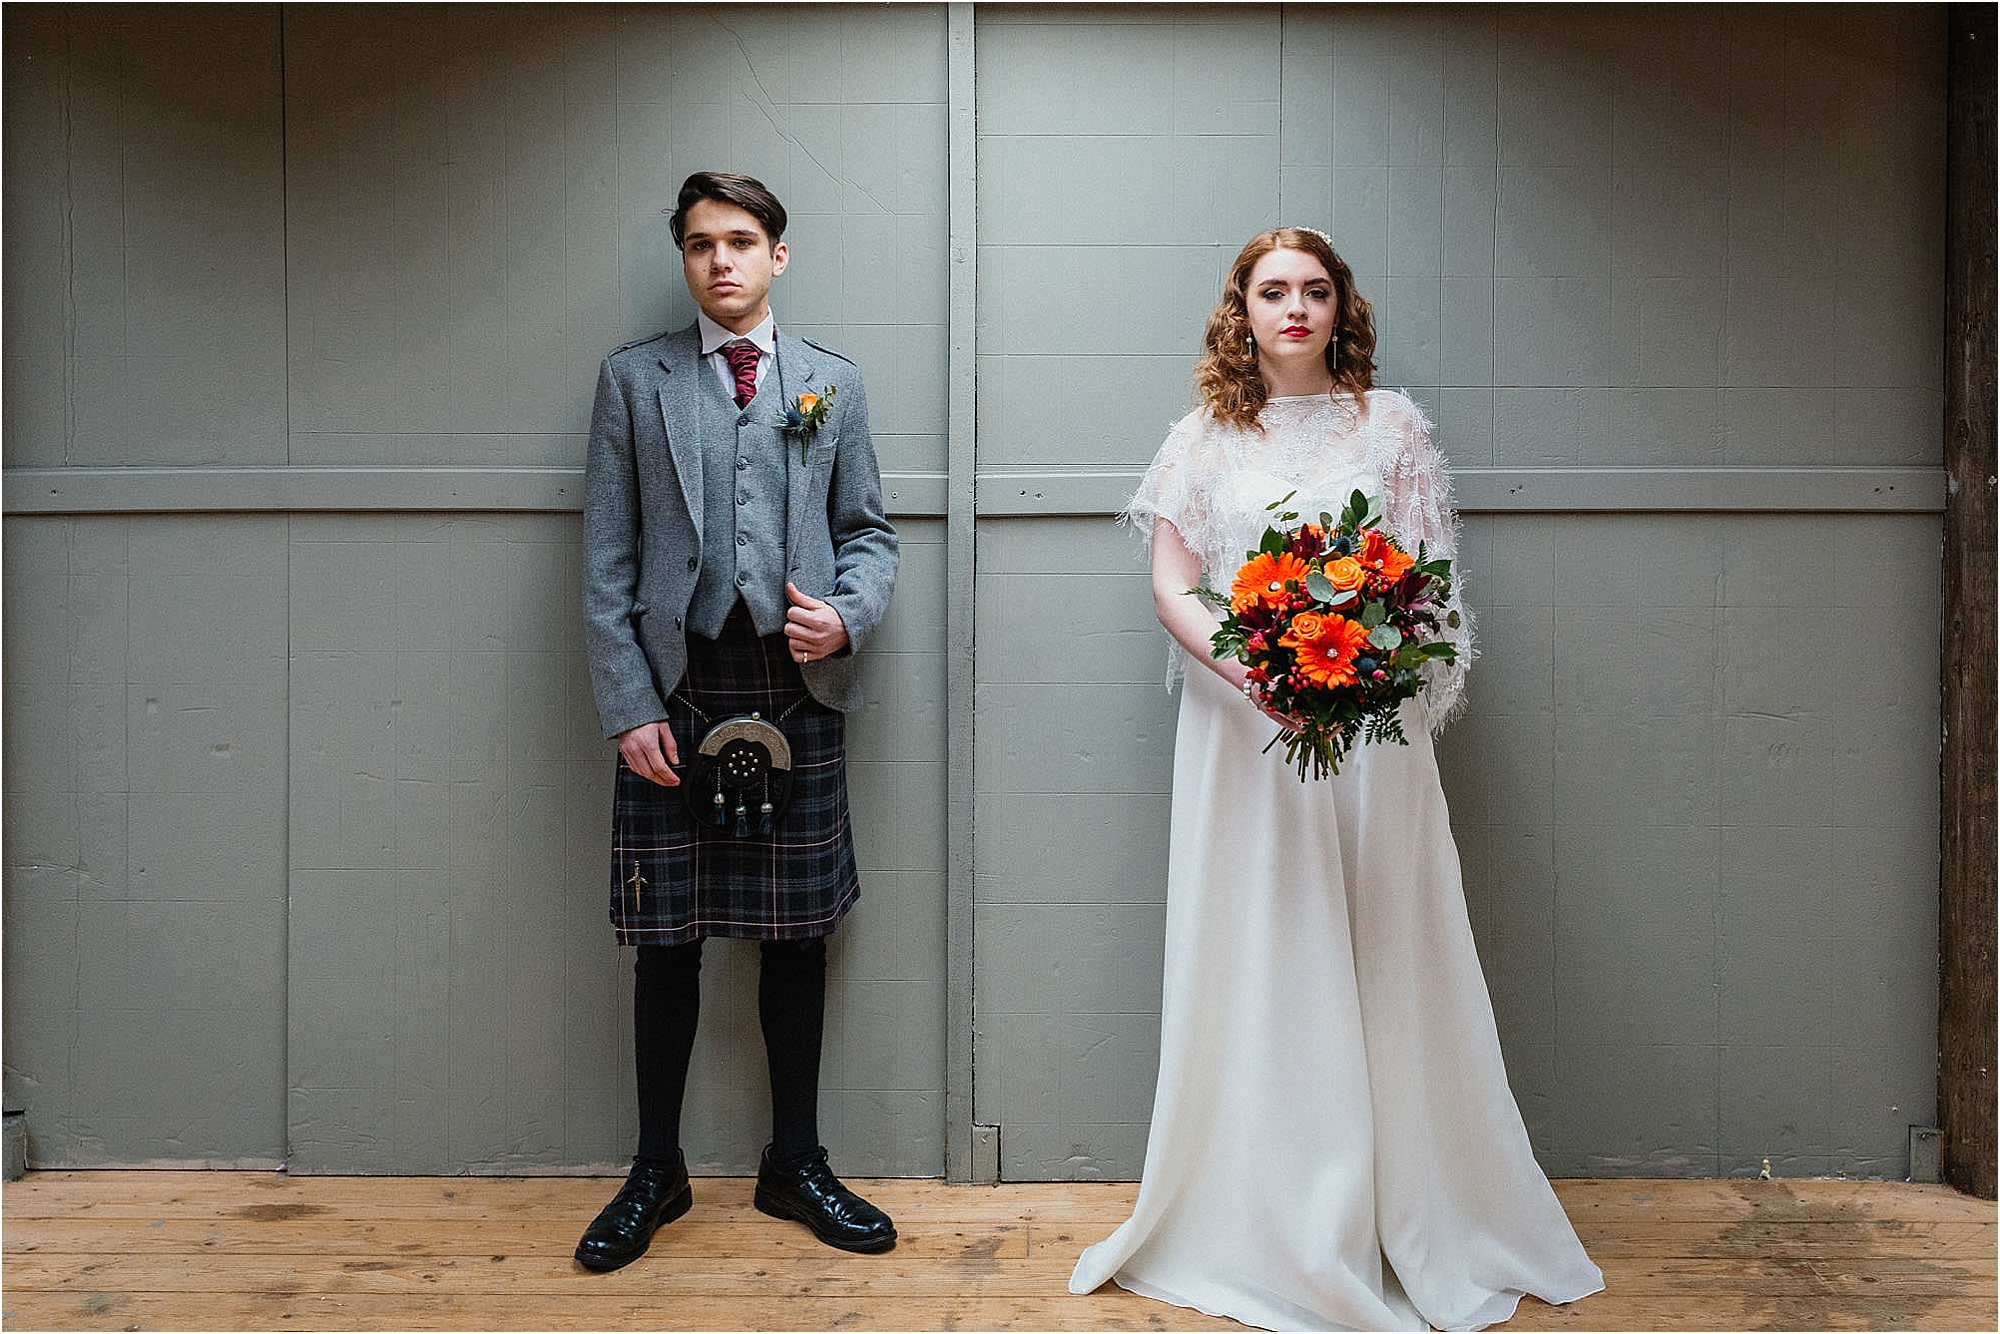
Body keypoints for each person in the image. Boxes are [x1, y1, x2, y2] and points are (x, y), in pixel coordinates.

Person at [1068, 228, 1604, 1330]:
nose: (1295, 308)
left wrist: (1367, 672)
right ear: (1242, 311)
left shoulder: (1390, 426)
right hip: (1243, 730)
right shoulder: (1201, 436)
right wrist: (1255, 672)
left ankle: (1408, 1202)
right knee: (1265, 940)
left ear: (1338, 308)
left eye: (1315, 290)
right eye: (1273, 291)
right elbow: (1173, 584)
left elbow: (1424, 574)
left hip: (1370, 732)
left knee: (1384, 940)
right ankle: (1270, 1210)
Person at [576, 171, 900, 1271]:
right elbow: (605, 560)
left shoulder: (831, 385)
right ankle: (654, 1169)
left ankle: (793, 1161)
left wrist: (844, 618)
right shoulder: (633, 381)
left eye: (742, 241)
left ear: (778, 255)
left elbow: (871, 535)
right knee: (662, 941)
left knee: (794, 935)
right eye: (701, 244)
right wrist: (627, 704)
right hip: (675, 687)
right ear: (684, 258)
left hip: (793, 685)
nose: (721, 260)